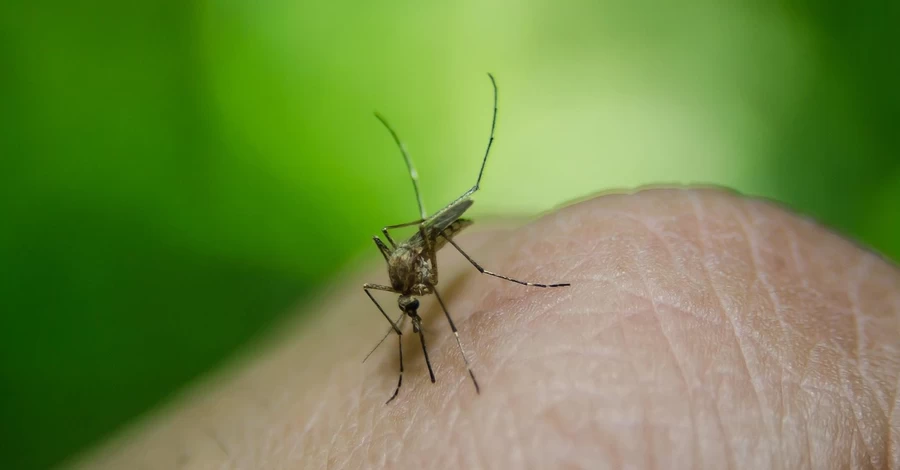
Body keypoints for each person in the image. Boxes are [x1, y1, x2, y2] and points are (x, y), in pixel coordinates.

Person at [71, 188, 900, 469]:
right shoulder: (398, 293)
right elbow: (391, 293)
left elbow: (410, 277)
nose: (408, 308)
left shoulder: (423, 268)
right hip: (416, 260)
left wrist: (435, 263)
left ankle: (494, 277)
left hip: (435, 242)